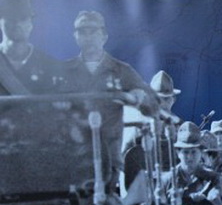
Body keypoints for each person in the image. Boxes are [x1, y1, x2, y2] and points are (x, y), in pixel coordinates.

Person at [62, 10, 157, 186]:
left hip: (109, 159)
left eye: (93, 31)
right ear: (75, 37)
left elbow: (153, 103)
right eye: (82, 32)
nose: (88, 37)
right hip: (73, 156)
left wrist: (137, 95)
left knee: (106, 199)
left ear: (104, 36)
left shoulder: (120, 71)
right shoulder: (64, 72)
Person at [0, 0, 62, 94]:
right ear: (1, 22)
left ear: (31, 25)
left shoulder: (48, 65)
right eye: (11, 18)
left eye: (23, 18)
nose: (17, 23)